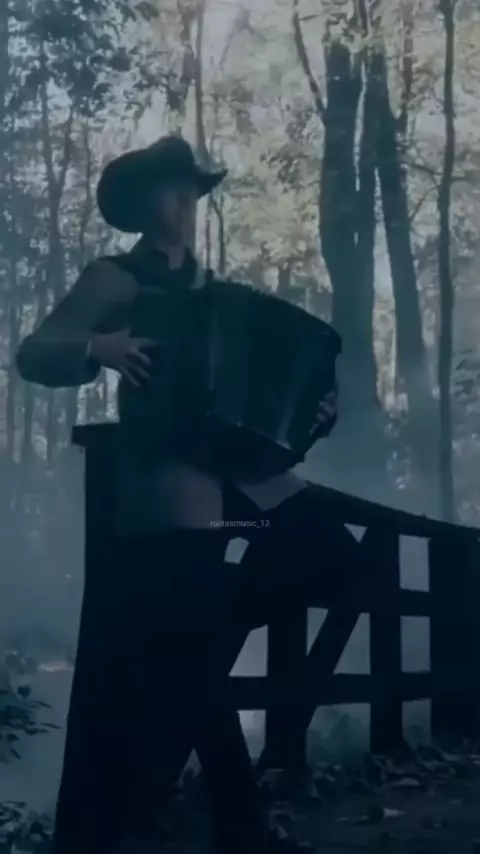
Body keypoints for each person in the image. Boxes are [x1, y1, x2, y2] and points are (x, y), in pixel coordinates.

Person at [16, 135, 355, 854]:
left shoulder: (216, 293)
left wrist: (313, 412)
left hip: (231, 464)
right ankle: (241, 827)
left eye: (190, 190)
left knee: (332, 552)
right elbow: (35, 352)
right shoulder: (116, 278)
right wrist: (99, 348)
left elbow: (271, 394)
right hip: (166, 468)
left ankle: (191, 643)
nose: (184, 203)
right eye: (170, 189)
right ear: (141, 203)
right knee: (195, 655)